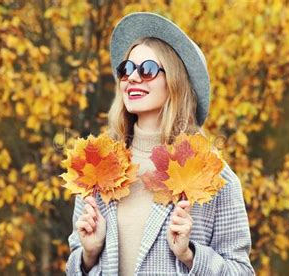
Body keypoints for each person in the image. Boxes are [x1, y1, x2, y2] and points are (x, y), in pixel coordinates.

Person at [66, 12, 254, 275]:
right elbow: (75, 264)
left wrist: (190, 256)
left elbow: (242, 271)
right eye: (127, 69)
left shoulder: (213, 175)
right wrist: (87, 255)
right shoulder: (94, 168)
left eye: (148, 70)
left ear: (175, 82)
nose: (132, 78)